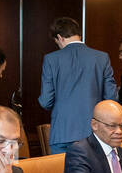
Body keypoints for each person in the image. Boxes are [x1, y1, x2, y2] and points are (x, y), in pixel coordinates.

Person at [40, 16, 117, 154]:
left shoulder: (51, 59)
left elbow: (46, 101)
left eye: (56, 42)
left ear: (60, 37)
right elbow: (111, 98)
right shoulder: (101, 58)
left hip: (62, 132)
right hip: (94, 133)